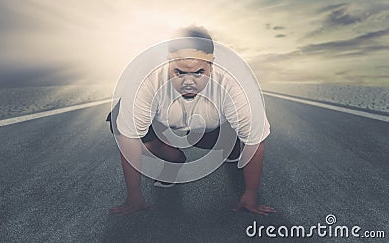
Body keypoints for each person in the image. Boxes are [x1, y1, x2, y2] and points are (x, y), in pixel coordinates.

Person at [107, 25, 276, 215]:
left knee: (239, 142)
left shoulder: (237, 83)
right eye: (179, 72)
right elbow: (129, 137)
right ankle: (174, 157)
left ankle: (230, 147)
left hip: (214, 126)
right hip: (162, 119)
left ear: (212, 66)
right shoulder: (145, 78)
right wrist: (134, 196)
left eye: (198, 72)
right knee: (120, 121)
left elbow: (254, 139)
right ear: (168, 63)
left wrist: (251, 193)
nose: (189, 82)